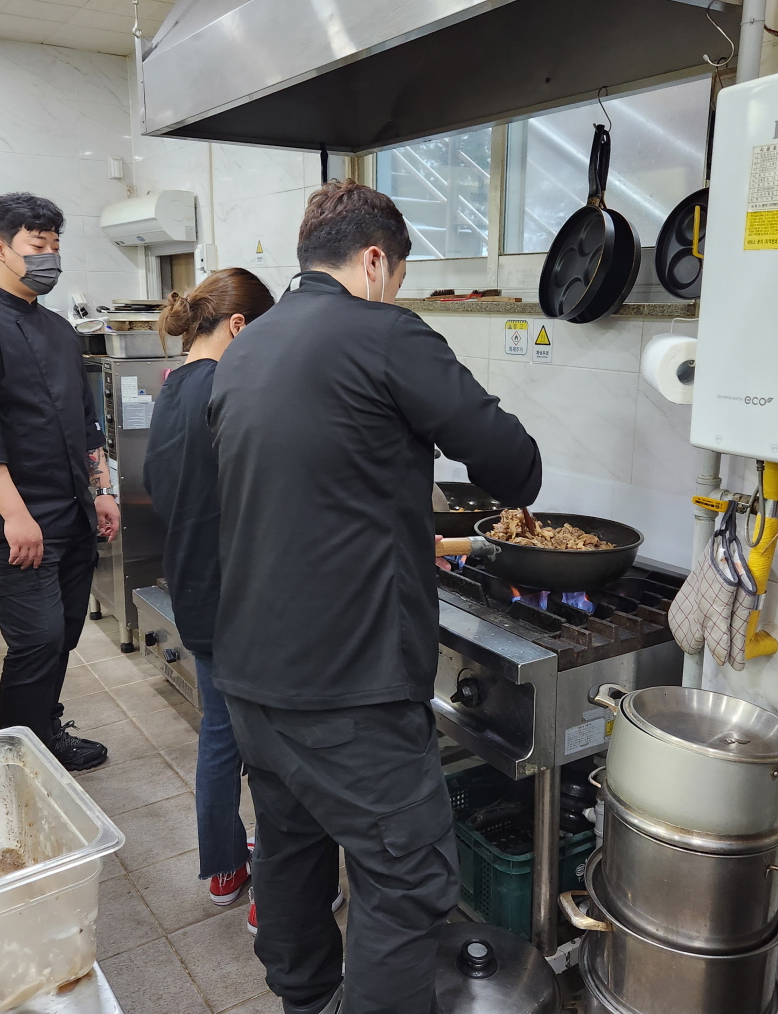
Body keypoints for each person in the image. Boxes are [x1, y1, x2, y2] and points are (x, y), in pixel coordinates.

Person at [209, 180, 542, 1014]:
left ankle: (304, 1002)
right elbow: (514, 466)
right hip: (349, 686)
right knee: (406, 880)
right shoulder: (386, 333)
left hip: (252, 676)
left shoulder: (246, 345)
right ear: (372, 260)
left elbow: (300, 484)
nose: (394, 290)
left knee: (291, 850)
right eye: (396, 275)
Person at [0, 192, 120, 772]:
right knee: (36, 639)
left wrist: (102, 490)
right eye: (37, 245)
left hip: (70, 511)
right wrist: (17, 516)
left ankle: (43, 730)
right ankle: (19, 758)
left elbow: (86, 423)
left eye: (55, 246)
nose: (49, 257)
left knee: (62, 632)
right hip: (12, 519)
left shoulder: (59, 330)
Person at [143, 268, 274, 906]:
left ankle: (224, 867)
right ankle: (276, 897)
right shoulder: (229, 387)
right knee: (273, 747)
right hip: (243, 597)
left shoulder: (173, 386)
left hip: (193, 584)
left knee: (220, 735)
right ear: (240, 326)